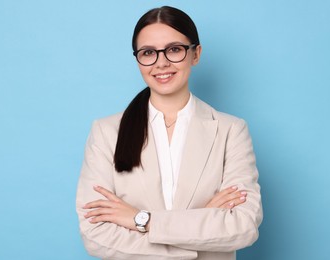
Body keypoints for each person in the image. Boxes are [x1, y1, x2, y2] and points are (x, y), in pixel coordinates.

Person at [76, 6, 263, 260]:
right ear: (137, 60)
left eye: (174, 49)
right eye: (148, 53)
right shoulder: (106, 132)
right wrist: (200, 226)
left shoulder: (231, 130)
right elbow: (95, 234)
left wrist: (139, 219)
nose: (161, 62)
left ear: (195, 54)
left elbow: (243, 227)